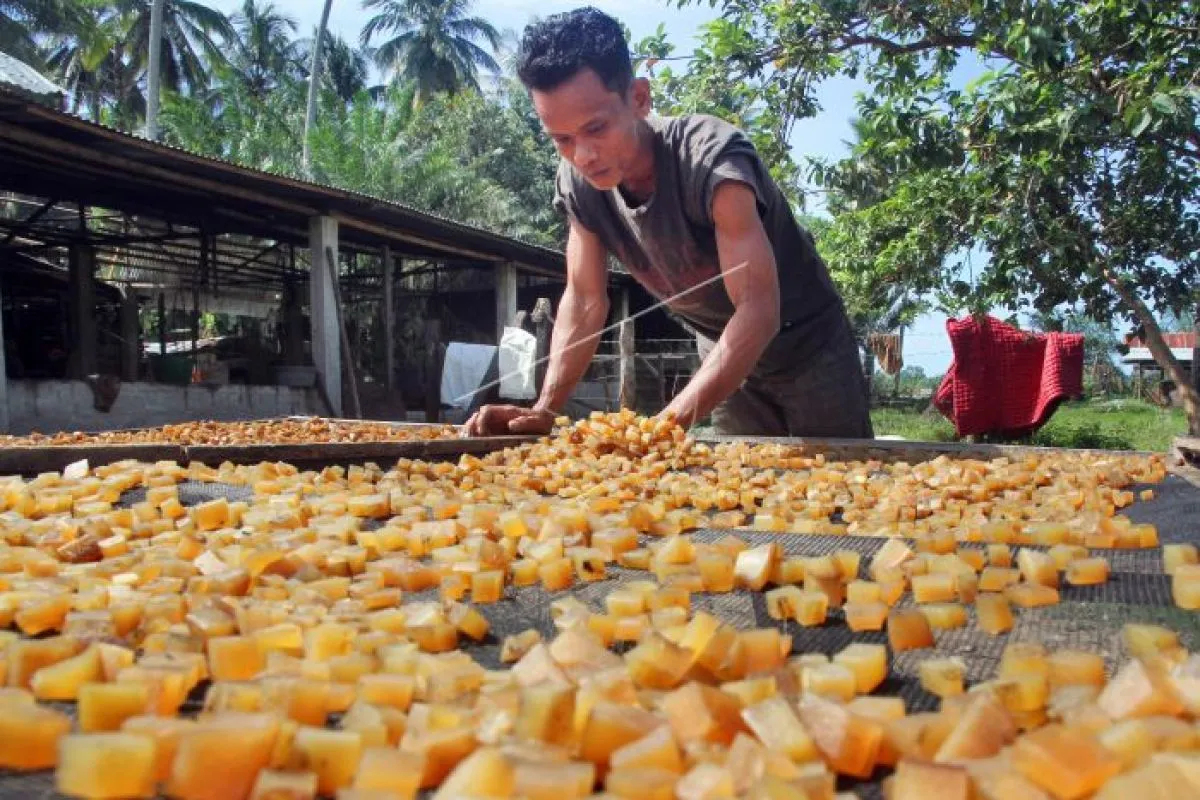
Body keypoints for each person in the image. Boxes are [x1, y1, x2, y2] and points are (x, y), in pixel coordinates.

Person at [464, 6, 872, 439]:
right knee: (740, 477)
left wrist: (661, 428)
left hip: (810, 346)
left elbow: (758, 309)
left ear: (639, 99)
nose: (583, 155)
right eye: (562, 139)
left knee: (843, 473)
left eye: (596, 128)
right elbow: (584, 300)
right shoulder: (579, 185)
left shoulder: (712, 160)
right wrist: (545, 409)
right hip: (722, 350)